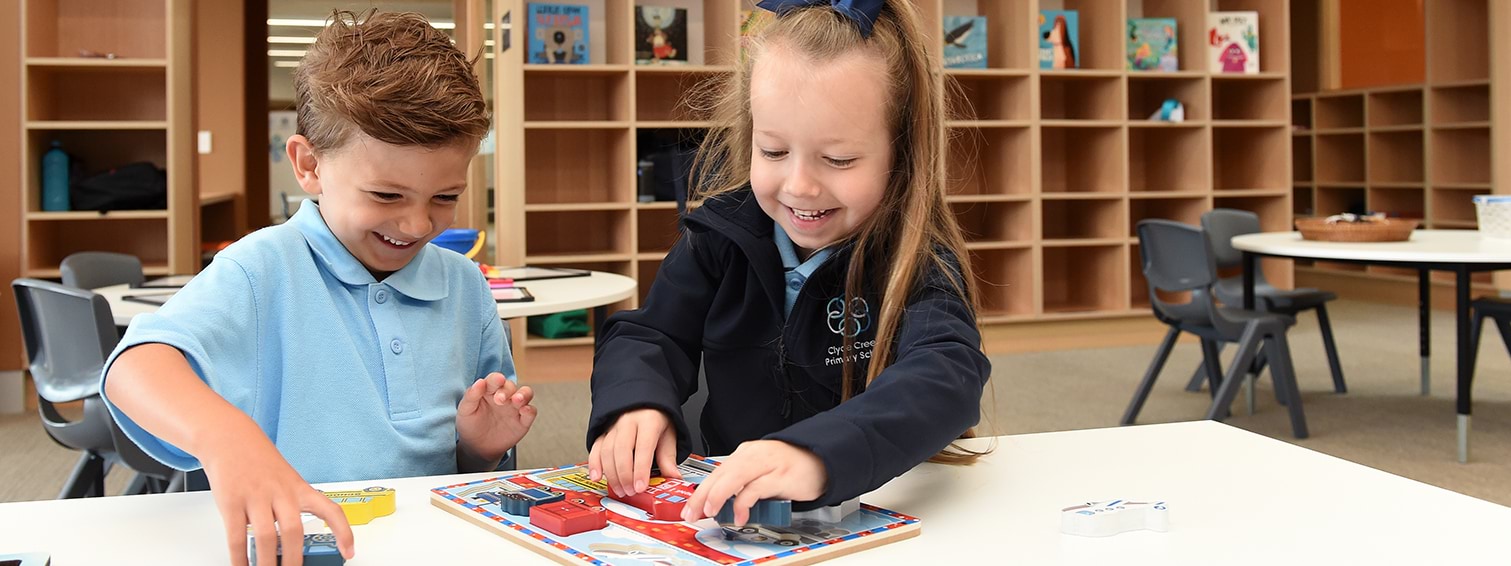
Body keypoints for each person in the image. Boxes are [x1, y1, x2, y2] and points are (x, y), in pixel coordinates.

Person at [100, 10, 535, 566]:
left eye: (445, 197)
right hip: (305, 548)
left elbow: (472, 470)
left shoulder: (466, 285)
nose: (418, 225)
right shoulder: (260, 269)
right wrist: (225, 437)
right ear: (309, 165)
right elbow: (133, 367)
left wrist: (479, 445)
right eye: (386, 195)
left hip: (433, 545)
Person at [585, 0, 990, 526]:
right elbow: (651, 336)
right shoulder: (717, 236)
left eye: (839, 160)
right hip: (729, 521)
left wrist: (816, 454)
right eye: (773, 151)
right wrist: (635, 403)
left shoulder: (917, 261)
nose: (799, 186)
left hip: (878, 507)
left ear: (901, 152)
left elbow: (947, 374)